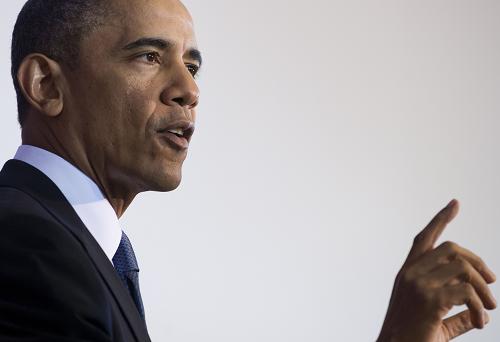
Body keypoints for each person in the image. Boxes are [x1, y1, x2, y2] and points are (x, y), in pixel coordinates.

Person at [0, 0, 495, 341]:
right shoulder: (25, 244)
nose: (188, 90)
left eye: (192, 67)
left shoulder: (71, 244)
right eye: (148, 57)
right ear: (45, 85)